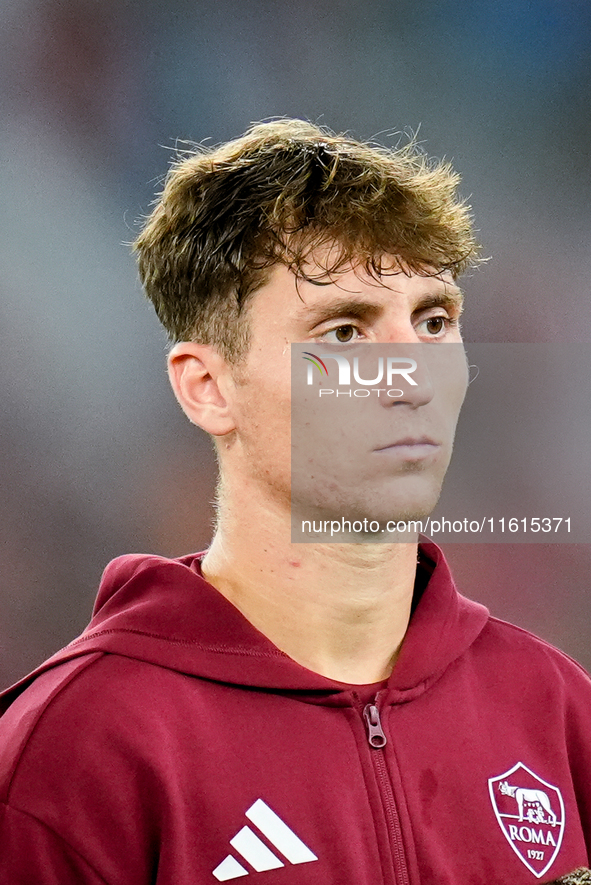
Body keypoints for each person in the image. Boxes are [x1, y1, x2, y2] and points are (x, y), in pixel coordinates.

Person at [0, 119, 590, 884]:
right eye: (343, 332)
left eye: (433, 321)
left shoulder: (554, 708)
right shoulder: (75, 754)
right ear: (206, 387)